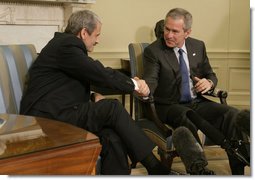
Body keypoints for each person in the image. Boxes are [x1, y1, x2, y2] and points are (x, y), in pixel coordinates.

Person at [19, 10, 171, 175]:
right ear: (84, 32)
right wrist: (134, 84)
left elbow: (65, 84)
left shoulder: (63, 46)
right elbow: (97, 72)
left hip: (58, 112)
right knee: (111, 107)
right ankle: (155, 167)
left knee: (111, 136)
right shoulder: (67, 45)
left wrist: (92, 95)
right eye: (97, 35)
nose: (98, 40)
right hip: (47, 120)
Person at [143, 8, 250, 175]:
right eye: (167, 29)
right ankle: (199, 169)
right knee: (188, 118)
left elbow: (210, 75)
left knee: (232, 114)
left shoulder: (198, 46)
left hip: (196, 102)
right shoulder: (154, 51)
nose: (169, 35)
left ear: (187, 32)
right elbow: (150, 81)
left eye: (175, 31)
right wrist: (143, 87)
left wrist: (209, 83)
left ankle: (240, 164)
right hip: (169, 105)